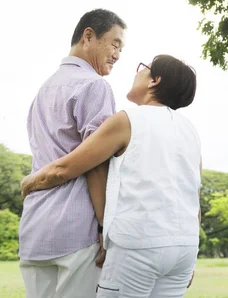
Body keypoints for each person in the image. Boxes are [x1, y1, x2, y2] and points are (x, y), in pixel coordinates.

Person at [22, 54, 202, 298]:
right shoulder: (189, 131)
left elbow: (67, 168)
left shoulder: (128, 120)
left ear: (154, 80)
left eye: (143, 68)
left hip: (139, 246)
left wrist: (30, 182)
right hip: (184, 248)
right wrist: (190, 254)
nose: (136, 72)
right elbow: (194, 198)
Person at [19, 8, 126, 298]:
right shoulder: (94, 86)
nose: (117, 54)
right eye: (115, 44)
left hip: (35, 228)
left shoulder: (43, 89)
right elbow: (96, 164)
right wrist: (105, 226)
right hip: (76, 230)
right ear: (88, 35)